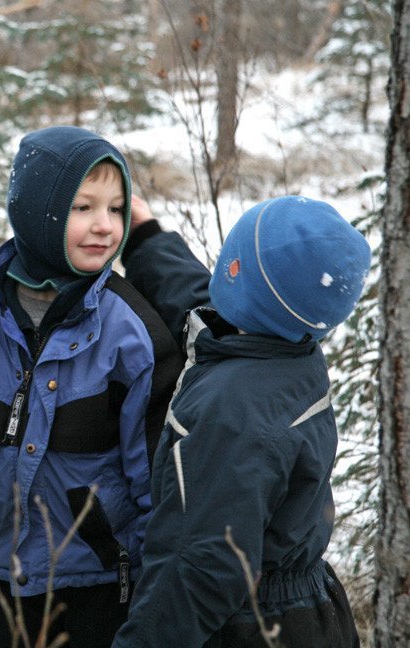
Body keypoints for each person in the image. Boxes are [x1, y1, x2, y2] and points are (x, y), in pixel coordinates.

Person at [0, 126, 190, 648]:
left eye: (116, 208)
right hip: (1, 581)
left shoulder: (132, 333)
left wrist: (157, 597)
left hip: (102, 589)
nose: (105, 225)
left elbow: (157, 480)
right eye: (83, 207)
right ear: (38, 210)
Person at [112, 196, 367, 647]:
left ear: (237, 278)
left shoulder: (231, 413)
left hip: (251, 628)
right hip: (306, 610)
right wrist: (147, 237)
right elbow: (201, 300)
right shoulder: (289, 349)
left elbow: (199, 569)